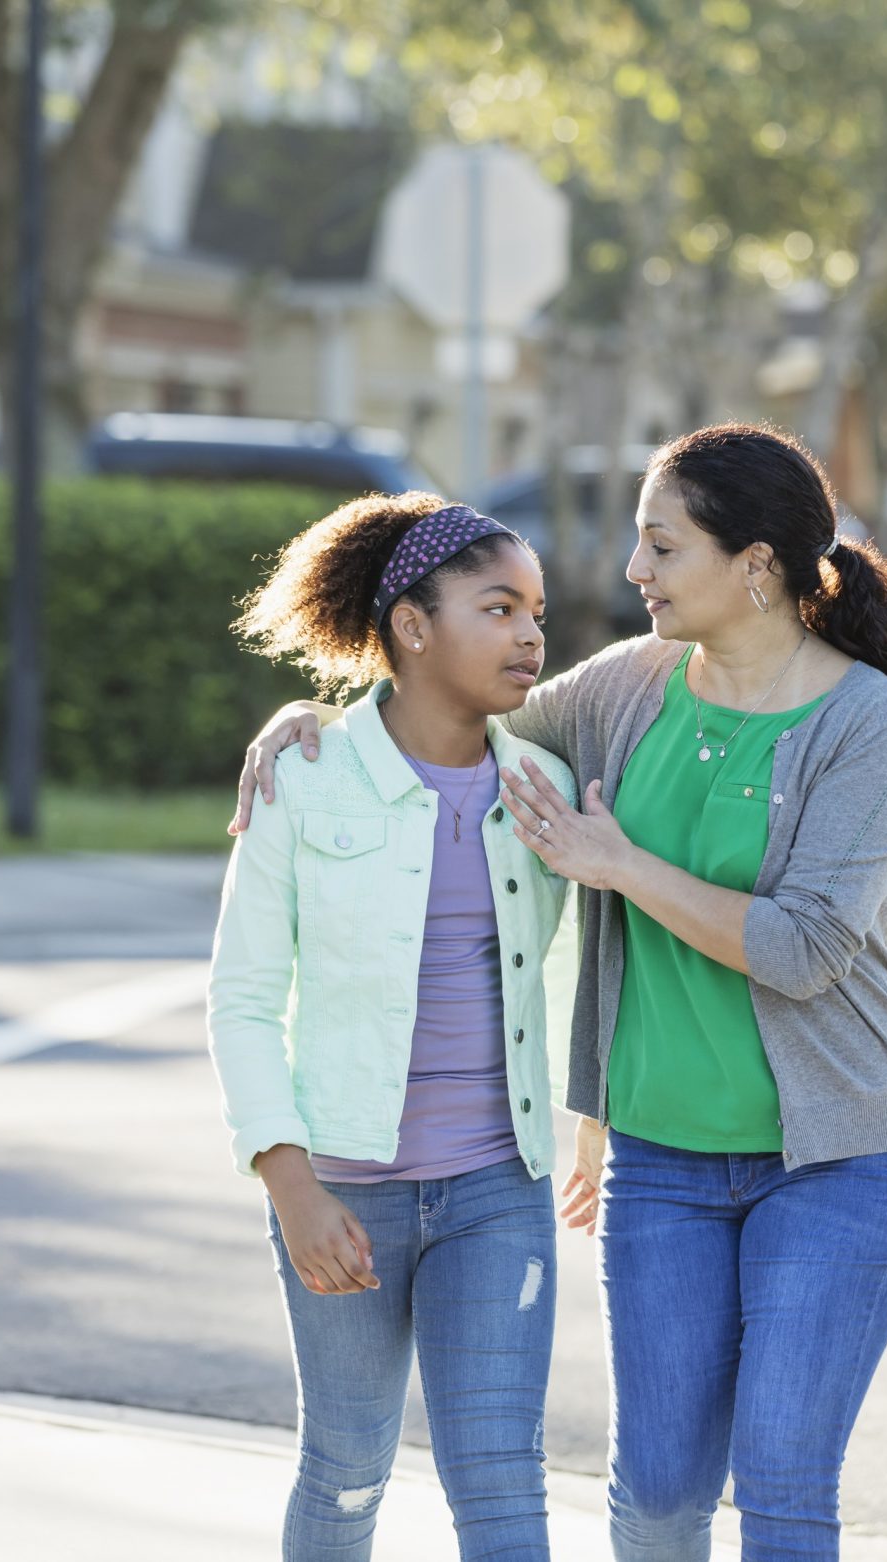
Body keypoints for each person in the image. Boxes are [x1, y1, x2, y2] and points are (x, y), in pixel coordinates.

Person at [232, 424, 887, 1561]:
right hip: (662, 1159)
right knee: (658, 1498)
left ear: (752, 562)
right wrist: (311, 720)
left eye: (660, 546)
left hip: (839, 1154)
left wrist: (621, 863)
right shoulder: (625, 689)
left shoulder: (865, 719)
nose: (633, 573)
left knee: (779, 1478)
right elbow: (451, 707)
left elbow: (807, 947)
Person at [208, 492, 575, 1560]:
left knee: (504, 1478)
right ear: (412, 626)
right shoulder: (306, 777)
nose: (530, 634)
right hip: (342, 1193)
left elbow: (591, 962)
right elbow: (239, 994)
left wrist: (588, 1122)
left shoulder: (540, 785)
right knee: (347, 1468)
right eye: (498, 607)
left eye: (537, 611)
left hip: (496, 1188)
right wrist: (290, 1184)